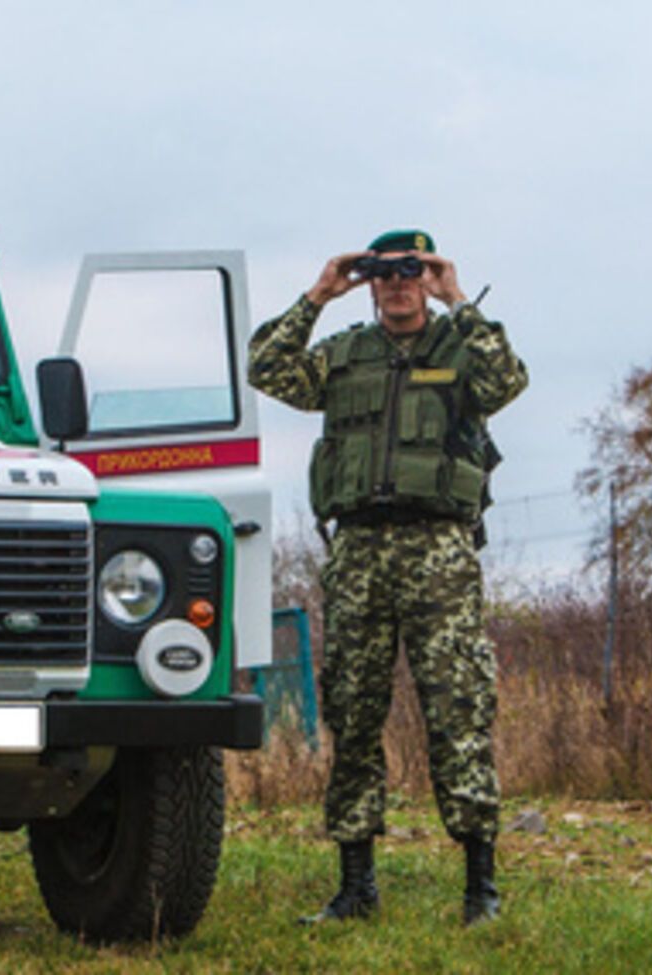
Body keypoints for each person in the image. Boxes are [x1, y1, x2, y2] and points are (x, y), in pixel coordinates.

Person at [247, 229, 528, 925]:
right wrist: (319, 293)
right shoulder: (345, 356)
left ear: (426, 278)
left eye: (412, 271)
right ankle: (355, 886)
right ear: (369, 282)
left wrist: (456, 295)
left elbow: (507, 380)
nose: (399, 283)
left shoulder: (462, 348)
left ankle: (480, 889)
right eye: (385, 273)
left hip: (439, 549)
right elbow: (265, 366)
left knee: (458, 709)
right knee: (352, 707)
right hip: (359, 552)